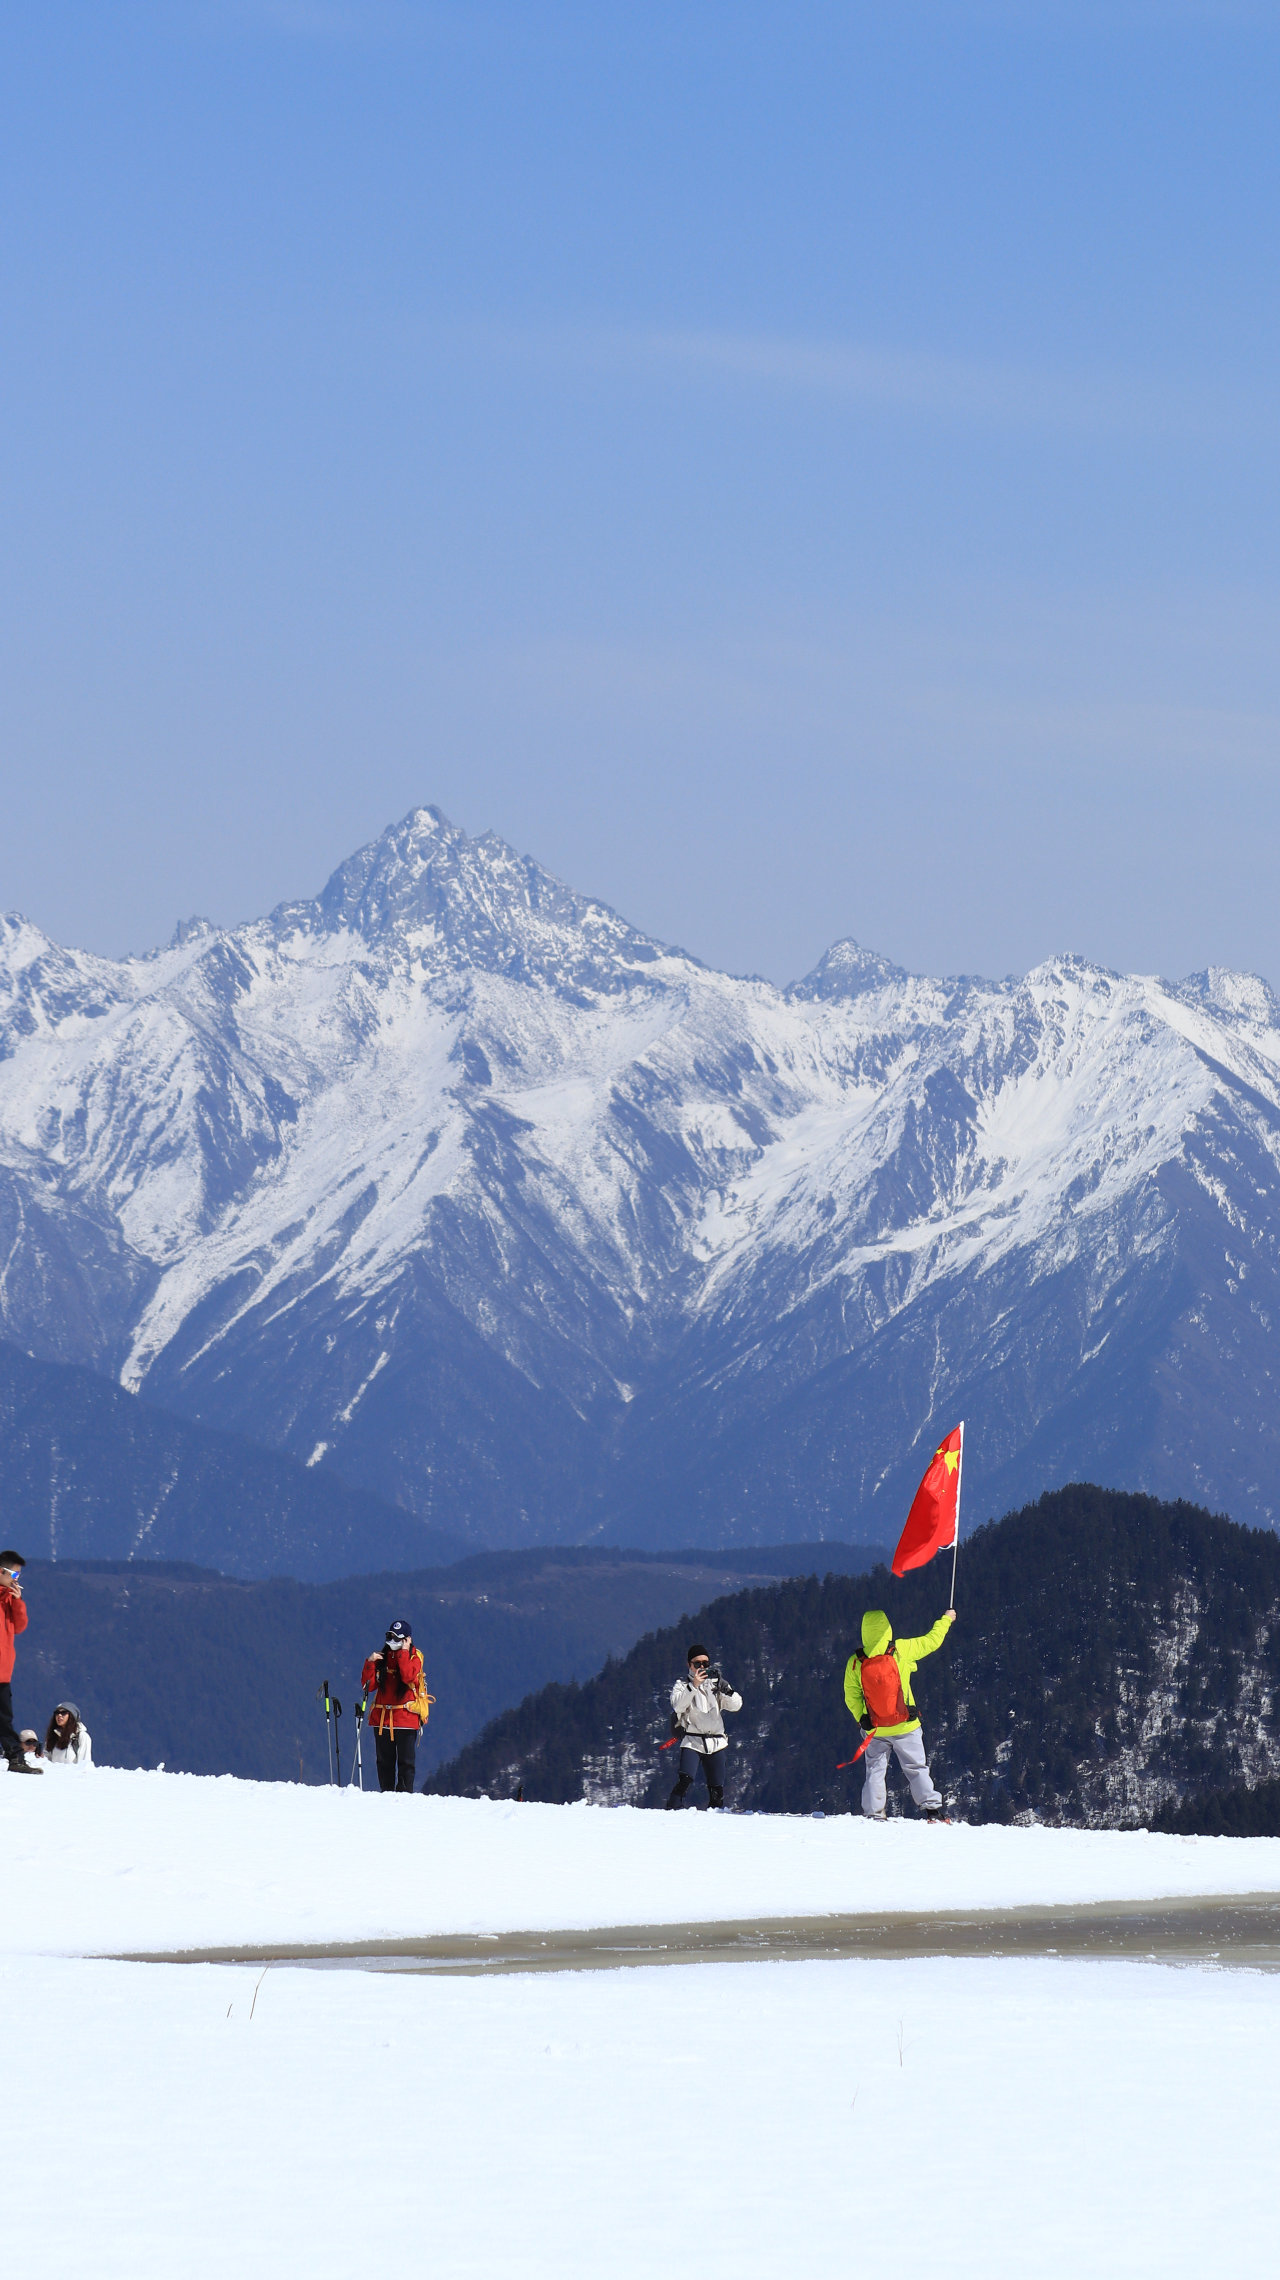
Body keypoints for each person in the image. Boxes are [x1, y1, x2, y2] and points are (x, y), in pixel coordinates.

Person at [844, 1607, 955, 1822]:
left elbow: (851, 1695)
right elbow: (932, 1641)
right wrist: (946, 1619)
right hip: (906, 1724)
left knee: (875, 1770)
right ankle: (932, 1811)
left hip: (875, 1728)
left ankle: (874, 1814)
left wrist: (862, 1718)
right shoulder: (901, 1650)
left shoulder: (856, 1662)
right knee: (916, 1767)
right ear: (888, 1628)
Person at [665, 1643, 742, 1810]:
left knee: (716, 1788)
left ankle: (715, 1815)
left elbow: (736, 1705)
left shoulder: (716, 1684)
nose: (702, 1667)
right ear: (689, 1665)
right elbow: (678, 1705)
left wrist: (727, 1690)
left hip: (716, 1741)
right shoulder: (682, 1685)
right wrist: (693, 1686)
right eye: (697, 1663)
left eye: (705, 1663)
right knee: (685, 1778)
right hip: (693, 1740)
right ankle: (672, 1808)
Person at [361, 1619, 427, 1792]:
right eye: (390, 1636)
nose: (392, 1641)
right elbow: (368, 1686)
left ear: (407, 1639)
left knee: (406, 1763)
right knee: (384, 1763)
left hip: (405, 1718)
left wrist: (404, 1652)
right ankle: (386, 1795)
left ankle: (404, 1797)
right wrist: (370, 1663)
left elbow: (408, 1676)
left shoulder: (415, 1657)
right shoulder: (382, 1657)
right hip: (382, 1720)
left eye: (397, 1638)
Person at [0, 1550, 41, 1775]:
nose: (17, 1580)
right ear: (1, 1571)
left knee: (4, 1719)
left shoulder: (9, 1598)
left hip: (3, 1671)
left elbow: (20, 1626)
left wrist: (17, 1601)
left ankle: (15, 1758)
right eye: (14, 1575)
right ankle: (15, 1757)